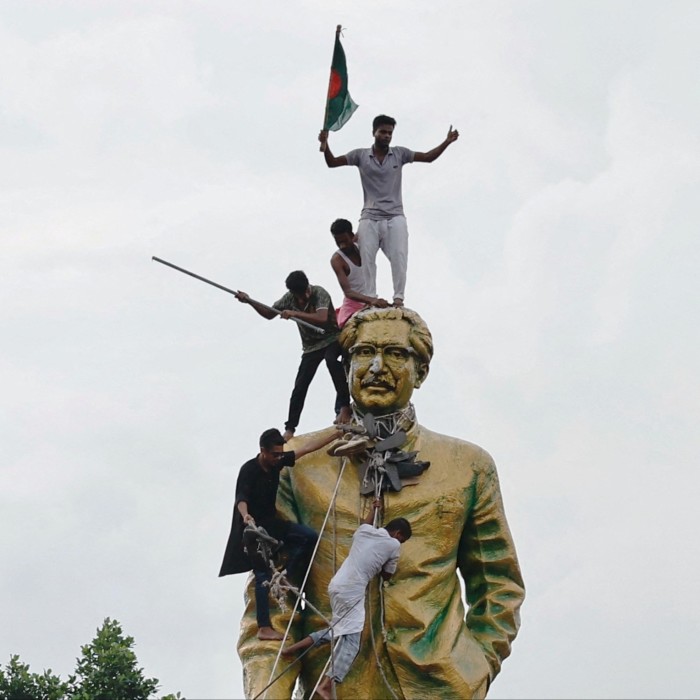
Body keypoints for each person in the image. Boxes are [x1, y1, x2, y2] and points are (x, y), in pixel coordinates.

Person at [237, 307, 525, 699]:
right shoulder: (296, 465)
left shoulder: (469, 467)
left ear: (420, 371)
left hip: (441, 685)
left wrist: (476, 665)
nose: (376, 366)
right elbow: (272, 594)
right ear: (347, 365)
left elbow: (497, 583)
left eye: (395, 353)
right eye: (364, 352)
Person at [319, 115, 459, 306]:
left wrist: (447, 142)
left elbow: (427, 157)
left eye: (390, 133)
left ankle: (399, 297)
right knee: (367, 257)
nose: (386, 136)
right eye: (382, 132)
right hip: (369, 216)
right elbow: (332, 162)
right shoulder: (360, 155)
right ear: (374, 132)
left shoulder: (399, 154)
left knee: (399, 256)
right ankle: (371, 299)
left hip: (394, 216)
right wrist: (325, 144)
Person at [281, 498, 411, 700]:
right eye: (402, 539)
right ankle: (327, 685)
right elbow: (387, 575)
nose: (400, 543)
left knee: (336, 630)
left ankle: (292, 649)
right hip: (352, 590)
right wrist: (384, 567)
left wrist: (373, 509)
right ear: (398, 534)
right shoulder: (393, 544)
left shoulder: (364, 532)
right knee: (351, 644)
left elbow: (364, 524)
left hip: (336, 585)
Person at [219, 426, 340, 641]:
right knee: (262, 575)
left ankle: (286, 578)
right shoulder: (249, 469)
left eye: (279, 454)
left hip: (272, 524)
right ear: (262, 451)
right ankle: (264, 627)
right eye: (274, 454)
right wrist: (246, 516)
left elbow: (307, 449)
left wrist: (335, 435)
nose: (278, 458)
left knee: (309, 537)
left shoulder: (277, 462)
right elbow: (241, 499)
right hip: (253, 531)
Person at [235, 270, 351, 441]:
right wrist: (250, 301)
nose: (302, 299)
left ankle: (344, 406)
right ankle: (290, 428)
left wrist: (295, 313)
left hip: (331, 338)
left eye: (304, 295)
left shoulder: (319, 293)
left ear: (307, 288)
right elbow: (269, 314)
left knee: (331, 361)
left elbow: (321, 317)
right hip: (311, 347)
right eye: (298, 297)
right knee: (300, 384)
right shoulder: (289, 298)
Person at [330, 218, 389, 328]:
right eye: (338, 243)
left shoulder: (361, 242)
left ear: (352, 236)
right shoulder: (337, 260)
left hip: (371, 301)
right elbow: (348, 292)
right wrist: (373, 301)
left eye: (345, 241)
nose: (342, 246)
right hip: (353, 306)